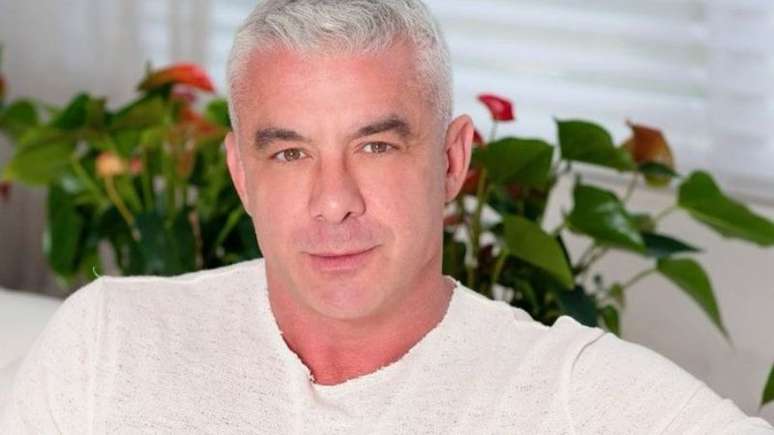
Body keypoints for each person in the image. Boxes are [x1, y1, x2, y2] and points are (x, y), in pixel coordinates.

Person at [2, 0, 773, 433]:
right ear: (241, 173)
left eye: (375, 145)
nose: (334, 199)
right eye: (290, 153)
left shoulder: (571, 395)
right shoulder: (109, 341)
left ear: (451, 160)